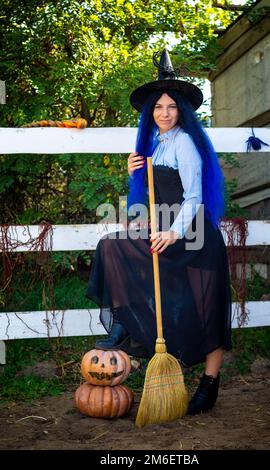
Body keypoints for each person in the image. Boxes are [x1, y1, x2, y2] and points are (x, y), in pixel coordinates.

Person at [86, 49, 232, 415]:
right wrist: (135, 170)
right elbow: (157, 195)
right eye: (157, 108)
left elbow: (194, 196)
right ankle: (123, 323)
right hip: (169, 232)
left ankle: (209, 386)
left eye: (171, 107)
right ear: (149, 112)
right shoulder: (154, 143)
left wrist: (172, 234)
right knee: (112, 246)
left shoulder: (184, 142)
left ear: (181, 109)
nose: (164, 113)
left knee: (208, 310)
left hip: (195, 237)